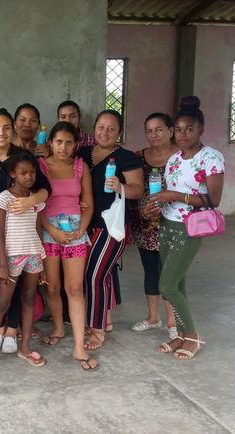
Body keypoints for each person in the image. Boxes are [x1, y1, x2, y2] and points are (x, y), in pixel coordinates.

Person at [148, 96, 224, 359]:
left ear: (201, 129)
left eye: (189, 129)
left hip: (190, 228)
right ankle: (180, 335)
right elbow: (168, 193)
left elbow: (213, 199)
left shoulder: (211, 157)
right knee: (178, 284)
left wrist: (175, 196)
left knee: (167, 285)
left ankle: (192, 336)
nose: (182, 134)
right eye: (179, 129)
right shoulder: (174, 159)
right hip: (167, 223)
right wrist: (156, 205)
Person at [0, 108, 50, 355]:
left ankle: (12, 328)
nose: (1, 133)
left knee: (21, 288)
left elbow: (44, 188)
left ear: (13, 129)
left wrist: (32, 201)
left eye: (6, 127)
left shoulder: (22, 157)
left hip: (21, 238)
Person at [76, 110, 143, 351]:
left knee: (95, 275)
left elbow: (138, 189)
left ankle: (97, 329)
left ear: (119, 133)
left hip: (112, 226)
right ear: (94, 128)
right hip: (86, 224)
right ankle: (105, 318)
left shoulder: (126, 157)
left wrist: (121, 187)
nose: (105, 132)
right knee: (98, 273)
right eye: (101, 127)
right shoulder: (83, 153)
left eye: (111, 129)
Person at [38, 122, 98, 371]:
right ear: (50, 142)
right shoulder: (40, 166)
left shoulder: (80, 166)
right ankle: (59, 328)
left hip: (75, 232)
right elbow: (36, 206)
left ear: (76, 145)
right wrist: (52, 231)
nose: (63, 147)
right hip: (48, 231)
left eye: (68, 142)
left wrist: (81, 230)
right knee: (52, 287)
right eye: (59, 142)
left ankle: (79, 347)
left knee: (74, 288)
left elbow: (89, 204)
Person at [130, 113, 178, 338]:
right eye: (149, 130)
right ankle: (153, 318)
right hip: (146, 223)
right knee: (150, 270)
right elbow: (133, 187)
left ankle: (172, 322)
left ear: (170, 131)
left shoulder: (181, 157)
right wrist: (141, 211)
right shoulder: (138, 157)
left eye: (159, 129)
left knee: (170, 272)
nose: (154, 134)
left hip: (173, 222)